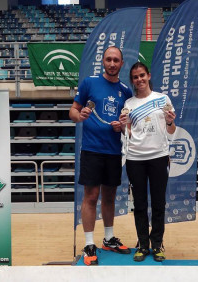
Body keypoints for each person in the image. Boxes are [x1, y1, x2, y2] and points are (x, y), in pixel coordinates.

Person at [69, 46, 132, 266]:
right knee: (91, 197)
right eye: (109, 59)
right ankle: (88, 243)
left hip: (114, 152)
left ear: (121, 63)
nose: (112, 63)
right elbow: (73, 111)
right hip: (92, 150)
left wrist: (122, 127)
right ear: (103, 62)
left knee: (109, 198)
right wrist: (81, 115)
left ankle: (108, 239)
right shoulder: (89, 83)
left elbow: (129, 124)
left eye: (116, 60)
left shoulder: (126, 92)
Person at [119, 62, 176, 262]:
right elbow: (128, 134)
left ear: (149, 75)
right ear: (132, 80)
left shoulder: (163, 99)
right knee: (140, 205)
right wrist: (124, 125)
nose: (139, 80)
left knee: (159, 204)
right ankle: (143, 245)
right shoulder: (129, 104)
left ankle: (157, 244)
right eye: (135, 77)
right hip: (135, 159)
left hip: (159, 157)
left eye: (142, 75)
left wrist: (170, 121)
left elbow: (171, 130)